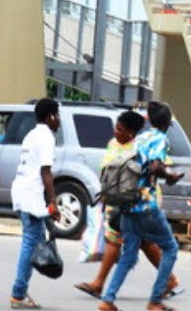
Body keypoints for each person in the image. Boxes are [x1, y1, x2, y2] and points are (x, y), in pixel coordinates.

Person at [75, 111, 181, 301]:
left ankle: (103, 287)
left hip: (139, 201)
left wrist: (169, 176)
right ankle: (165, 282)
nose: (115, 132)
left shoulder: (142, 144)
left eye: (120, 129)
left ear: (131, 133)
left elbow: (159, 167)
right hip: (120, 201)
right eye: (116, 127)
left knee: (126, 242)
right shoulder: (114, 144)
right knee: (135, 244)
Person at [100, 101, 183, 311]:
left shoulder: (141, 137)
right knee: (170, 248)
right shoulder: (160, 139)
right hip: (146, 205)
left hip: (127, 204)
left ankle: (107, 300)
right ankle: (155, 300)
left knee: (128, 256)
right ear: (167, 123)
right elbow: (155, 166)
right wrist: (170, 177)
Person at [8, 98, 61, 309]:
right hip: (30, 194)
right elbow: (45, 172)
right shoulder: (46, 137)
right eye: (57, 116)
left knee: (34, 243)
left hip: (22, 191)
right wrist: (53, 202)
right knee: (30, 244)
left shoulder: (32, 133)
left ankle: (21, 292)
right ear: (50, 117)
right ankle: (17, 295)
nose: (59, 121)